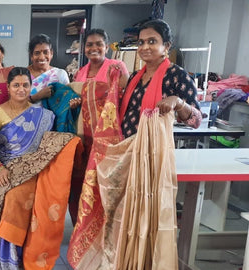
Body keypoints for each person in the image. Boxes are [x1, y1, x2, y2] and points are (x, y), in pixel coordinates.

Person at [67, 19, 202, 269]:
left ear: (166, 46)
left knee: (142, 217)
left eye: (153, 41)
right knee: (122, 214)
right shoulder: (136, 77)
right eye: (141, 42)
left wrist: (179, 103)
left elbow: (196, 119)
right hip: (125, 153)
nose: (145, 47)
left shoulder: (175, 75)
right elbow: (117, 110)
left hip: (149, 158)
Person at [0, 67, 81, 270]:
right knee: (15, 197)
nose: (21, 89)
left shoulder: (43, 113)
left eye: (25, 85)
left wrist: (72, 109)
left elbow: (56, 137)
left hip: (36, 168)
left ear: (31, 87)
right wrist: (0, 168)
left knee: (47, 196)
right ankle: (10, 259)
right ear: (8, 87)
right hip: (6, 168)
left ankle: (34, 255)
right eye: (16, 85)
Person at [68, 29, 130, 225]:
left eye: (98, 44)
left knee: (104, 184)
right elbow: (79, 99)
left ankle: (105, 231)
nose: (94, 48)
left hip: (106, 139)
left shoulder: (116, 67)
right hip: (83, 138)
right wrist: (75, 103)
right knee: (81, 186)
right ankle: (82, 229)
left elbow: (125, 98)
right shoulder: (81, 72)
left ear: (106, 46)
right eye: (89, 45)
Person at [26, 34, 71, 104]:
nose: (42, 57)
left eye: (45, 52)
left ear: (51, 53)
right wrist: (37, 96)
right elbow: (14, 104)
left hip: (55, 115)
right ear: (31, 56)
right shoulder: (22, 75)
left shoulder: (60, 74)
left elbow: (67, 100)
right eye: (37, 53)